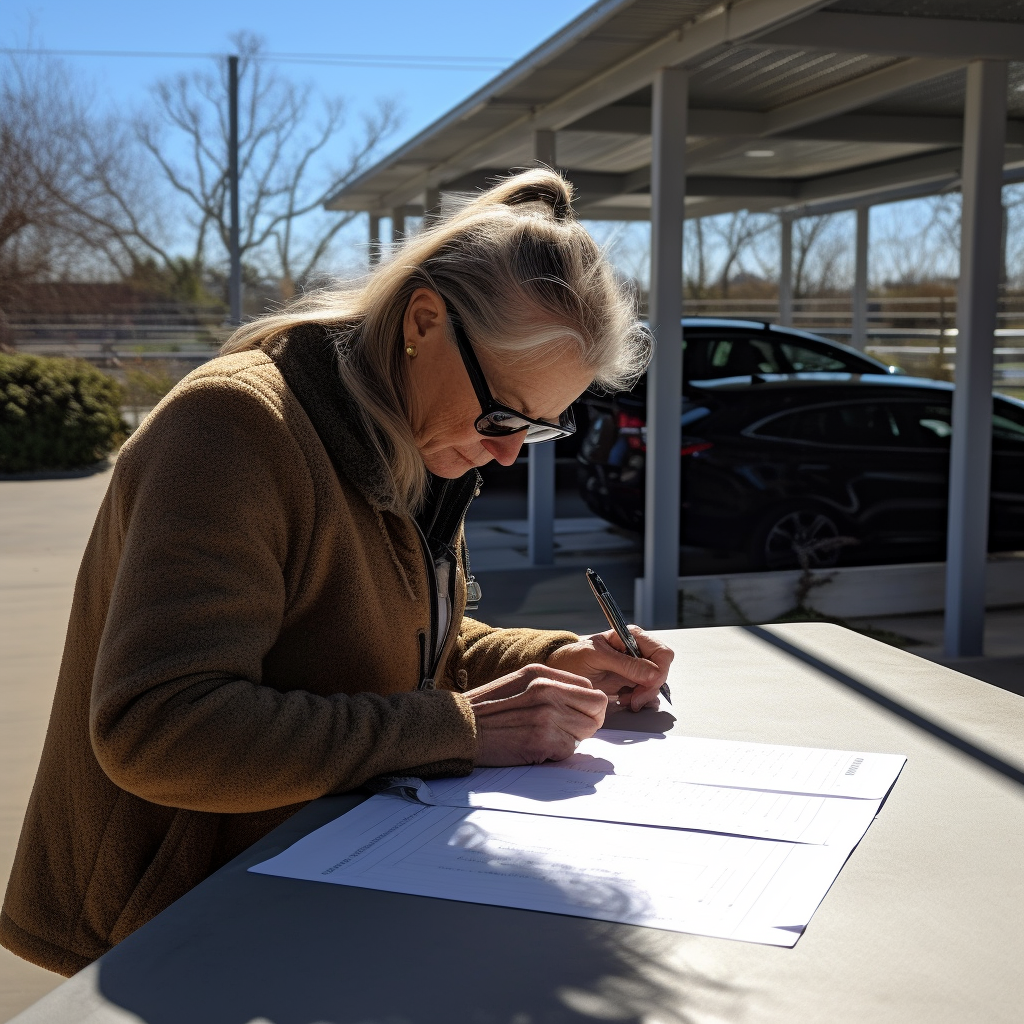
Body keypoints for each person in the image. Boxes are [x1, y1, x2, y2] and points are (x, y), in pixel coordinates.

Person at [0, 168, 673, 977]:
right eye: (502, 416)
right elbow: (159, 729)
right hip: (172, 921)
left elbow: (399, 643)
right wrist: (455, 730)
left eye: (534, 432)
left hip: (308, 882)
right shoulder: (234, 430)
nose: (503, 452)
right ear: (423, 321)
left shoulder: (413, 438)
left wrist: (549, 658)